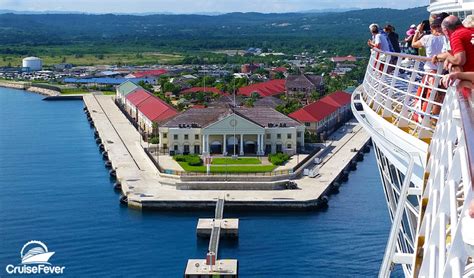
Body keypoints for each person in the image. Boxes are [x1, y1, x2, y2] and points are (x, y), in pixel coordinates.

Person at [411, 17, 446, 121]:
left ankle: (425, 118)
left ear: (431, 27)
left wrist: (418, 31)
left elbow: (414, 44)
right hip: (443, 71)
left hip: (430, 72)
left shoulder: (427, 38)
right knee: (438, 95)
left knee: (426, 96)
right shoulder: (446, 38)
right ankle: (435, 118)